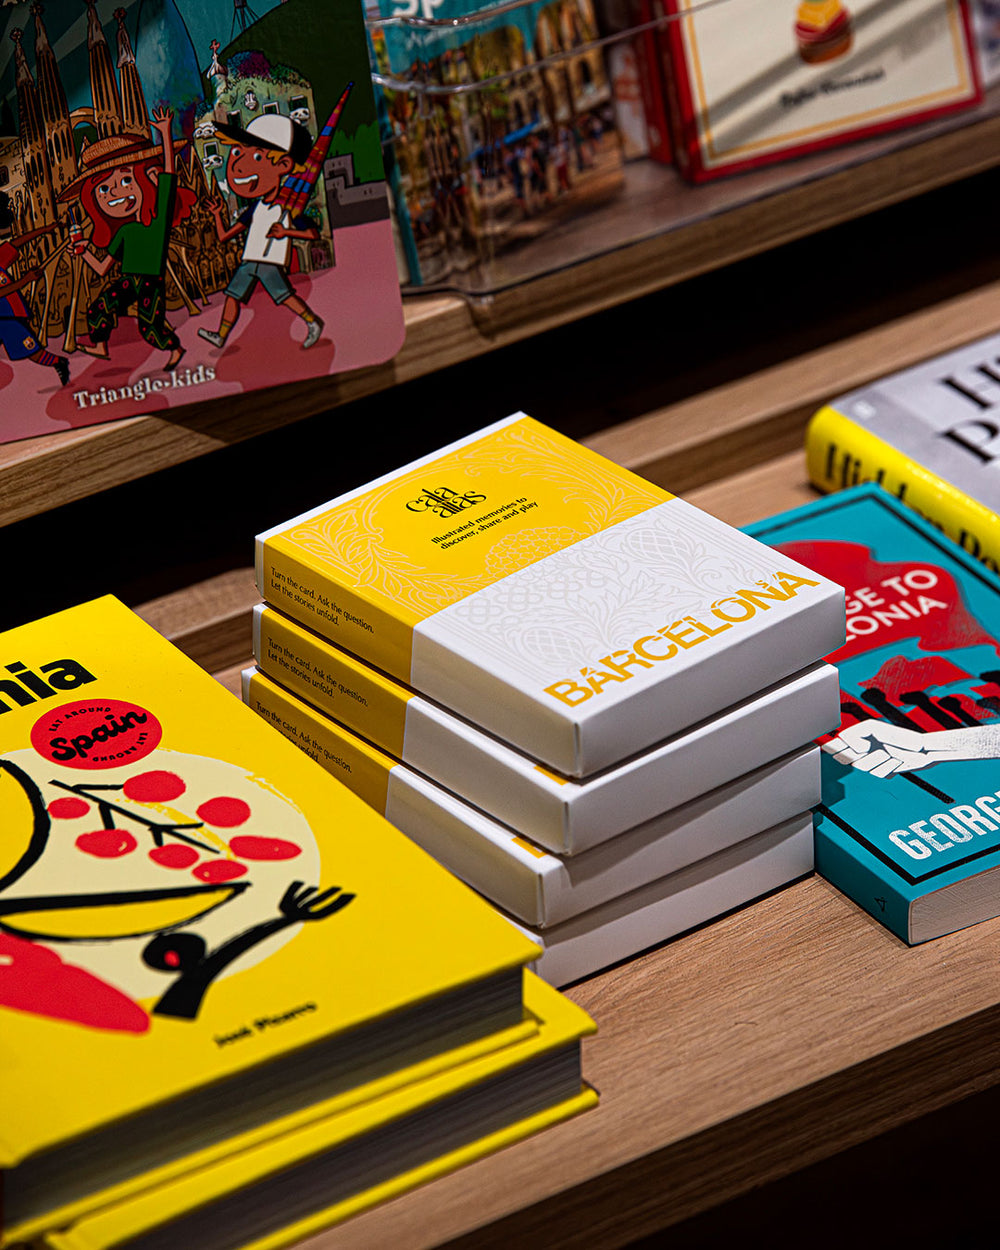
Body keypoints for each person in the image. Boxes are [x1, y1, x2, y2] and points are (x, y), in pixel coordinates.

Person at [62, 106, 195, 370]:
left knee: (150, 327)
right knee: (98, 307)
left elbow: (168, 176)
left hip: (150, 282)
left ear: (145, 181)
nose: (113, 193)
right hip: (128, 281)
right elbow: (102, 268)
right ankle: (100, 344)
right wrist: (84, 251)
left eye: (125, 181)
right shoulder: (123, 232)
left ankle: (176, 348)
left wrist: (166, 135)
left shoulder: (158, 223)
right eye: (103, 188)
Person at [197, 113, 323, 352]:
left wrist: (286, 232)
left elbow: (313, 235)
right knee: (232, 296)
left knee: (284, 297)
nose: (238, 166)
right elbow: (225, 236)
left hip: (268, 262)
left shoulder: (288, 207)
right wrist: (216, 214)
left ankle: (312, 322)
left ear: (284, 165)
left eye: (257, 156)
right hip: (249, 260)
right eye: (237, 152)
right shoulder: (255, 207)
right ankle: (221, 336)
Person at [0, 195, 69, 386]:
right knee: (29, 350)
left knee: (31, 351)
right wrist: (25, 280)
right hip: (5, 317)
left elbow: (15, 244)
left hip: (8, 317)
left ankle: (59, 363)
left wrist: (46, 229)